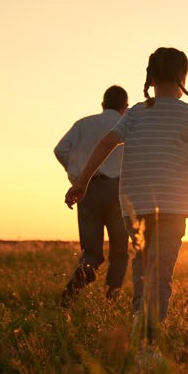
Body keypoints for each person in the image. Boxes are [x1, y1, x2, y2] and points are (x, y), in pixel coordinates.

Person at [64, 47, 188, 366]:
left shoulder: (136, 113)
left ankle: (141, 326)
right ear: (183, 79)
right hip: (172, 206)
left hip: (134, 206)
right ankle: (147, 344)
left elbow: (106, 143)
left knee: (143, 266)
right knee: (160, 270)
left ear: (150, 79)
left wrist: (83, 180)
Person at [54, 85, 130, 305]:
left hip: (89, 189)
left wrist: (79, 175)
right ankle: (111, 300)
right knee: (119, 253)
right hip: (119, 191)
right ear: (125, 107)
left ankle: (72, 291)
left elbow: (60, 150)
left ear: (103, 104)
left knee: (91, 252)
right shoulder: (128, 124)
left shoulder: (83, 124)